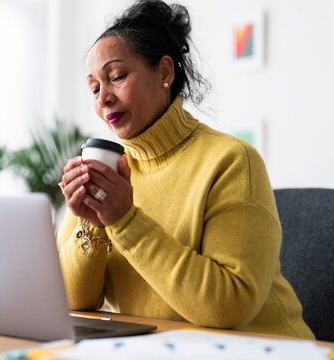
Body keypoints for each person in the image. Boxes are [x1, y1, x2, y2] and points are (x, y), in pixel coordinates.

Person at [57, 0, 314, 339]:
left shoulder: (231, 160)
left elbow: (228, 306)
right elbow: (70, 300)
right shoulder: (106, 172)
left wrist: (124, 221)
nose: (103, 98)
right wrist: (92, 226)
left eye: (117, 76)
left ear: (165, 71)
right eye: (94, 88)